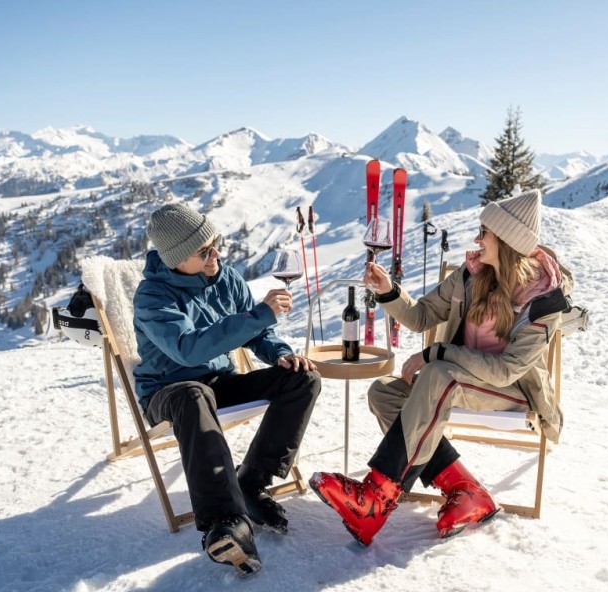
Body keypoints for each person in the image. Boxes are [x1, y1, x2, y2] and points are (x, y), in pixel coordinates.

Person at [309, 189, 571, 546]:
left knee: (436, 374)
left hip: (509, 391)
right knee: (385, 393)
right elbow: (421, 316)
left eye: (485, 233)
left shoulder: (542, 299)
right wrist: (388, 291)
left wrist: (438, 353)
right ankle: (465, 490)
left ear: (507, 241)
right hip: (457, 382)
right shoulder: (471, 276)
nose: (477, 239)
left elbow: (506, 371)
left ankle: (374, 499)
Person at [133, 202, 321, 577]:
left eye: (215, 243)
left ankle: (251, 483)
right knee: (193, 394)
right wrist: (259, 314)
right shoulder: (153, 297)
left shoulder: (225, 278)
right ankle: (226, 521)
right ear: (176, 259)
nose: (215, 255)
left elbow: (258, 332)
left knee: (303, 378)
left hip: (219, 383)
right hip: (170, 392)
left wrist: (280, 353)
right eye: (204, 251)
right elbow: (189, 349)